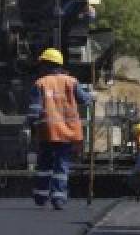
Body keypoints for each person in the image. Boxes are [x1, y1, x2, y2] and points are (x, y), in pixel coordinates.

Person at [28, 48, 93, 211]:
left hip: (47, 133)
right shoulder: (72, 82)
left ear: (46, 64)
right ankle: (58, 198)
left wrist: (30, 126)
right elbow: (84, 100)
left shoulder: (40, 83)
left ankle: (41, 196)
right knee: (61, 167)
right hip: (68, 133)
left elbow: (34, 110)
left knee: (44, 165)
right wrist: (93, 96)